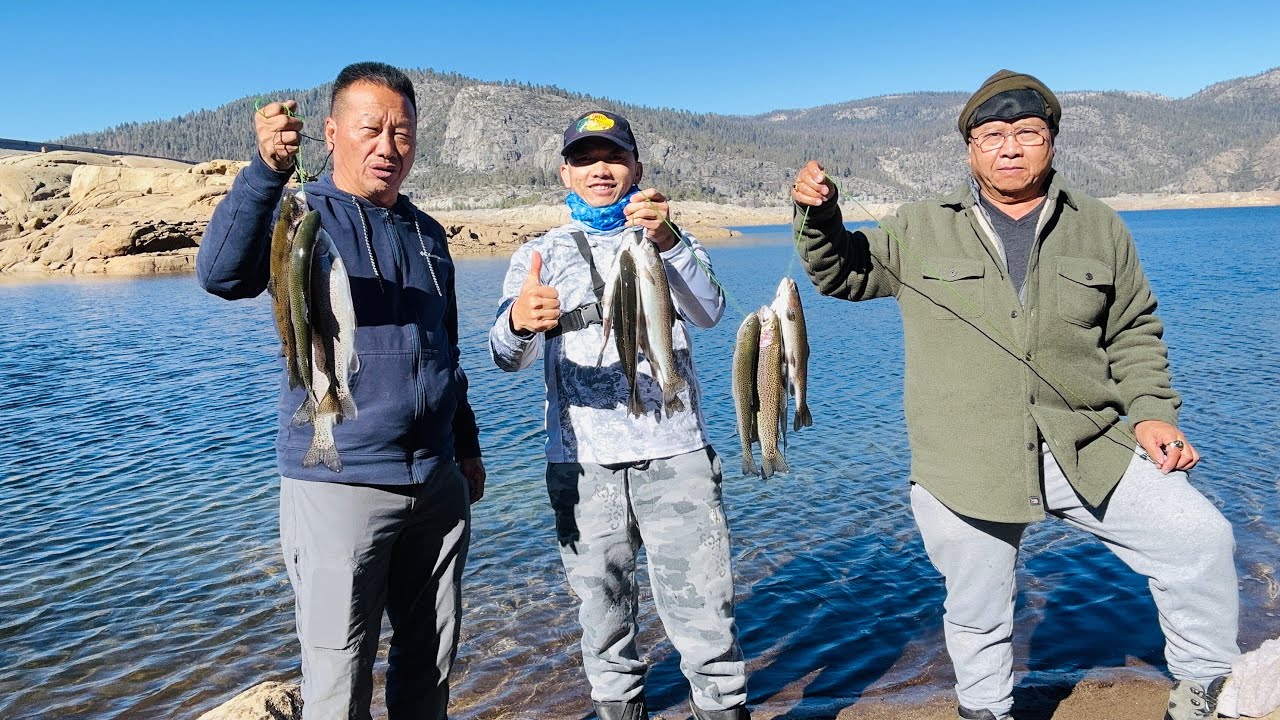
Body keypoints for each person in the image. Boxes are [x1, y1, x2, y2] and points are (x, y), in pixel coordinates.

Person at [790, 70, 1239, 720]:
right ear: (970, 149)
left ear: (1051, 140)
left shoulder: (1098, 226)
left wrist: (1151, 415)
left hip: (1088, 445)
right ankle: (986, 710)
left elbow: (1134, 329)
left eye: (1027, 132)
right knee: (978, 609)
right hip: (964, 458)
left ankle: (1202, 692)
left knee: (1200, 539)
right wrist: (818, 214)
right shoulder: (921, 226)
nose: (1009, 147)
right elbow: (842, 273)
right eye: (992, 135)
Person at [197, 61, 485, 720]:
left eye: (402, 132)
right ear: (331, 133)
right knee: (338, 676)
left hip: (436, 482)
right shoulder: (302, 216)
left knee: (429, 665)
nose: (388, 146)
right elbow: (222, 276)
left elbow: (446, 351)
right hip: (338, 481)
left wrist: (465, 445)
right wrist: (266, 173)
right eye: (370, 129)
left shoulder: (427, 234)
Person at [489, 110, 749, 720]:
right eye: (584, 159)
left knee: (705, 614)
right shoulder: (539, 253)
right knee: (602, 622)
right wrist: (518, 323)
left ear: (637, 168)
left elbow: (710, 311)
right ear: (565, 173)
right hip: (581, 465)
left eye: (612, 157)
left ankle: (723, 707)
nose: (599, 169)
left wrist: (669, 242)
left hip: (677, 454)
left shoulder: (672, 240)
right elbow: (504, 357)